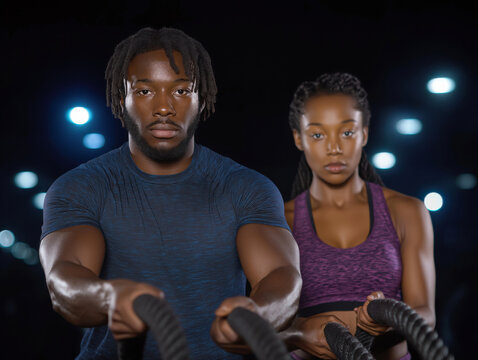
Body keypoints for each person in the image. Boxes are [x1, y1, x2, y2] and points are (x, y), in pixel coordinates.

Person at [39, 27, 302, 359]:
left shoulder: (246, 187)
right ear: (122, 99)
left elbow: (280, 276)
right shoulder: (79, 187)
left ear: (201, 98)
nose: (164, 107)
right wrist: (109, 297)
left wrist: (258, 315)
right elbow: (64, 279)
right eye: (145, 91)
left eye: (181, 91)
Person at [279, 73, 436, 360]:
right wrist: (301, 330)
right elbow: (268, 322)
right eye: (317, 134)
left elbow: (425, 314)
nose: (334, 147)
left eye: (347, 132)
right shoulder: (281, 221)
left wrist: (387, 322)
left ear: (364, 133)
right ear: (298, 139)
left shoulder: (406, 211)